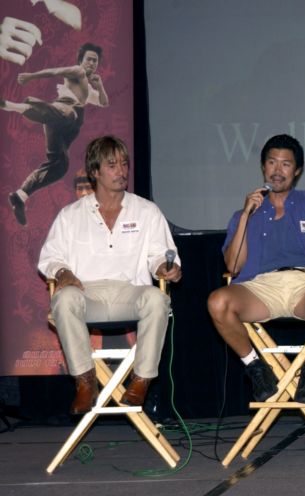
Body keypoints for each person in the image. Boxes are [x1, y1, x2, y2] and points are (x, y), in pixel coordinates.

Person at [207, 134, 305, 405]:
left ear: (297, 171)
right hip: (259, 287)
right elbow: (233, 265)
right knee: (217, 301)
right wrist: (245, 215)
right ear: (263, 167)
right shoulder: (245, 214)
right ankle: (256, 369)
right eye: (272, 162)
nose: (277, 170)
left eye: (286, 164)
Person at [38, 135, 182, 414]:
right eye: (112, 165)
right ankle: (85, 381)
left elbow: (161, 254)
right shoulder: (71, 215)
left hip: (129, 291)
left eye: (124, 164)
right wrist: (63, 272)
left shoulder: (146, 210)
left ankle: (141, 380)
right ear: (95, 172)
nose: (122, 171)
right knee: (64, 299)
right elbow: (50, 258)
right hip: (86, 293)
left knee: (157, 299)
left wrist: (165, 267)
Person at [3, 42, 108, 226]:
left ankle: (20, 196)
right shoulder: (77, 71)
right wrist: (31, 76)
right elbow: (54, 71)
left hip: (61, 126)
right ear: (81, 60)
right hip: (63, 110)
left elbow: (104, 103)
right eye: (89, 59)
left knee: (60, 165)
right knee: (69, 114)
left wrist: (99, 86)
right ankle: (14, 106)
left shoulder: (88, 89)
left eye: (95, 61)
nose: (92, 63)